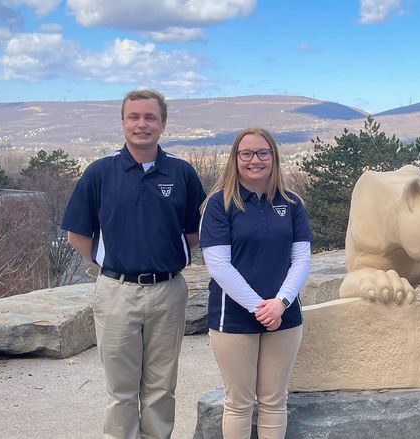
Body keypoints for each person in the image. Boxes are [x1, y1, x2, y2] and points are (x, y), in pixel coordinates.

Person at [62, 88, 206, 438]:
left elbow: (195, 230)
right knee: (121, 389)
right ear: (124, 122)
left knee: (161, 386)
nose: (142, 124)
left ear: (163, 123)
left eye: (150, 117)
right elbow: (77, 234)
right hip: (116, 292)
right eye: (134, 117)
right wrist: (111, 264)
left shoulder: (182, 173)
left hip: (168, 291)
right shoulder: (100, 173)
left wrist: (166, 257)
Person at [199, 127, 312, 439]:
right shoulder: (219, 204)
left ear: (273, 157)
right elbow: (219, 266)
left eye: (263, 153)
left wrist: (281, 303)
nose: (255, 160)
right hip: (232, 316)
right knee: (239, 403)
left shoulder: (291, 203)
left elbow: (301, 259)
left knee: (275, 401)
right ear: (235, 159)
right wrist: (259, 307)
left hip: (285, 315)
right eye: (246, 154)